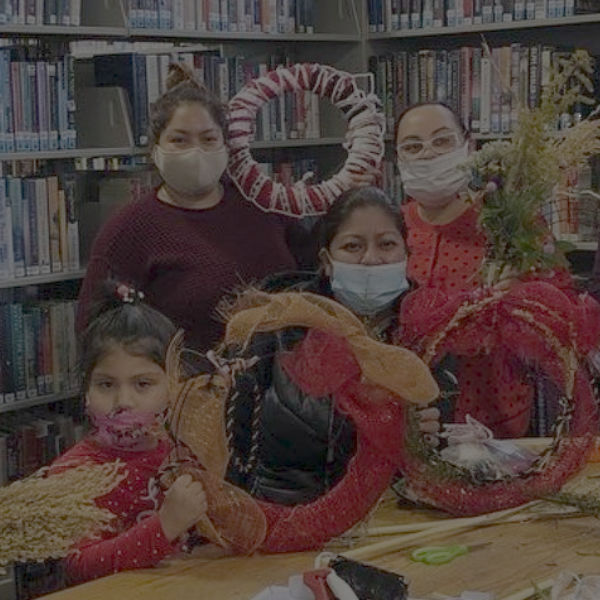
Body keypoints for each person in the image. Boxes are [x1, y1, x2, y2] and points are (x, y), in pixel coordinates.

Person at [221, 186, 440, 552]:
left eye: (386, 245)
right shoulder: (278, 328)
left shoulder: (430, 332)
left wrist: (423, 441)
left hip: (394, 534)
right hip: (283, 531)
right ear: (326, 259)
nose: (370, 260)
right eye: (353, 246)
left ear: (407, 253)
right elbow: (234, 446)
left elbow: (438, 462)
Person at [77, 64, 308, 353]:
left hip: (285, 386)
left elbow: (317, 278)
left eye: (208, 139)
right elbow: (95, 334)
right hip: (188, 390)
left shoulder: (267, 207)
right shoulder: (128, 229)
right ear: (155, 149)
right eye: (179, 140)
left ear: (226, 145)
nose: (195, 151)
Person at [394, 102, 584, 438]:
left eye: (441, 141)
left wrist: (522, 299)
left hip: (499, 414)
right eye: (412, 146)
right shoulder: (391, 228)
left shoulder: (508, 223)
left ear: (467, 145)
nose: (427, 155)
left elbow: (565, 313)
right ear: (397, 157)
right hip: (412, 417)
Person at [48, 282, 208, 583]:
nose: (123, 402)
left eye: (143, 384)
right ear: (86, 391)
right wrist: (165, 524)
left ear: (174, 387)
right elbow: (79, 567)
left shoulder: (186, 455)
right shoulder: (72, 473)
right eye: (106, 385)